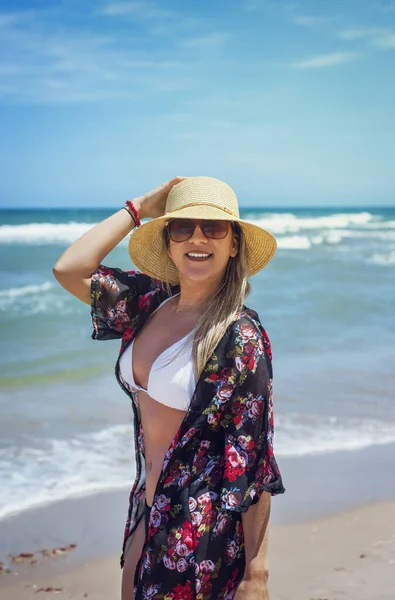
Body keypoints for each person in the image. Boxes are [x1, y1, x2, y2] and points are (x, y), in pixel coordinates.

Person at [53, 175, 285, 600]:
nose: (198, 238)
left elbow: (253, 459)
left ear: (234, 244)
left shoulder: (240, 336)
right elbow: (69, 269)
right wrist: (137, 207)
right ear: (169, 242)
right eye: (183, 227)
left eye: (213, 228)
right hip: (146, 511)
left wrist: (258, 572)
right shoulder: (149, 301)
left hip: (201, 532)